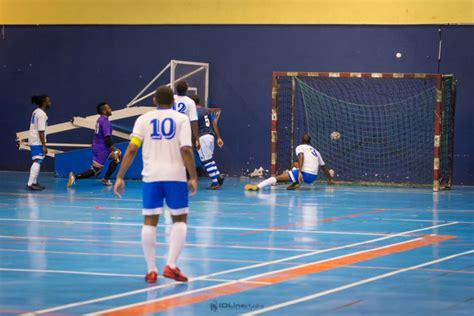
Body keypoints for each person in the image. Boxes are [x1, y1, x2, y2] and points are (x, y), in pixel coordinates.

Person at [114, 85, 197, 284]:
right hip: (175, 177)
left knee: (149, 221)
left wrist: (120, 176)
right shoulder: (182, 119)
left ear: (154, 101)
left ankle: (151, 270)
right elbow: (186, 149)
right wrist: (193, 176)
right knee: (180, 219)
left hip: (151, 177)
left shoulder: (143, 119)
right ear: (174, 102)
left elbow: (132, 148)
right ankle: (171, 265)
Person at [244, 134, 334, 191]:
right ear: (310, 142)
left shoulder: (300, 147)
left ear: (301, 141)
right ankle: (296, 182)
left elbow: (301, 156)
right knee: (295, 164)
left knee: (277, 178)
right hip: (312, 177)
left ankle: (257, 187)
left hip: (304, 174)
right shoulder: (316, 151)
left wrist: (299, 173)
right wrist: (330, 179)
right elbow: (324, 168)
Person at [67, 102, 121, 187]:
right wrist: (114, 149)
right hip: (102, 148)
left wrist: (114, 151)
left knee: (117, 156)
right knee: (95, 171)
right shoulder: (106, 122)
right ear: (104, 111)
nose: (110, 109)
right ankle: (75, 177)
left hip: (98, 146)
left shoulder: (100, 119)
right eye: (108, 108)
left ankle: (105, 180)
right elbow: (107, 139)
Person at [191, 95, 225, 190]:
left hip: (202, 137)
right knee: (209, 159)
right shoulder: (206, 110)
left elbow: (195, 127)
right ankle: (218, 176)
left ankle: (215, 183)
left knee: (205, 161)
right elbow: (214, 123)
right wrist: (218, 137)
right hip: (210, 136)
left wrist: (195, 140)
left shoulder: (195, 113)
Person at [26, 95, 52, 191]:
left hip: (35, 140)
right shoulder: (41, 114)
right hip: (37, 141)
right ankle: (30, 184)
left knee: (38, 161)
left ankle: (34, 182)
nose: (50, 103)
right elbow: (41, 131)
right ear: (44, 102)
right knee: (37, 161)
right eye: (48, 101)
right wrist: (44, 145)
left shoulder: (36, 111)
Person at [173, 81, 200, 149]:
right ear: (186, 89)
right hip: (184, 132)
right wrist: (197, 138)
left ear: (176, 89)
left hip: (171, 130)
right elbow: (194, 121)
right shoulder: (190, 102)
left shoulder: (170, 99)